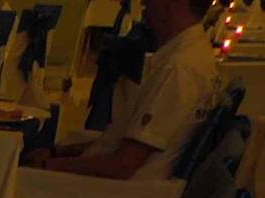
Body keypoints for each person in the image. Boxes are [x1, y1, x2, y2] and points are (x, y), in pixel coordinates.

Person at [25, 0, 219, 179]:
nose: (143, 3)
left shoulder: (179, 69)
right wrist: (57, 152)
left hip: (115, 192)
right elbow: (119, 142)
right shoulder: (191, 55)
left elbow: (123, 165)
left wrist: (47, 166)